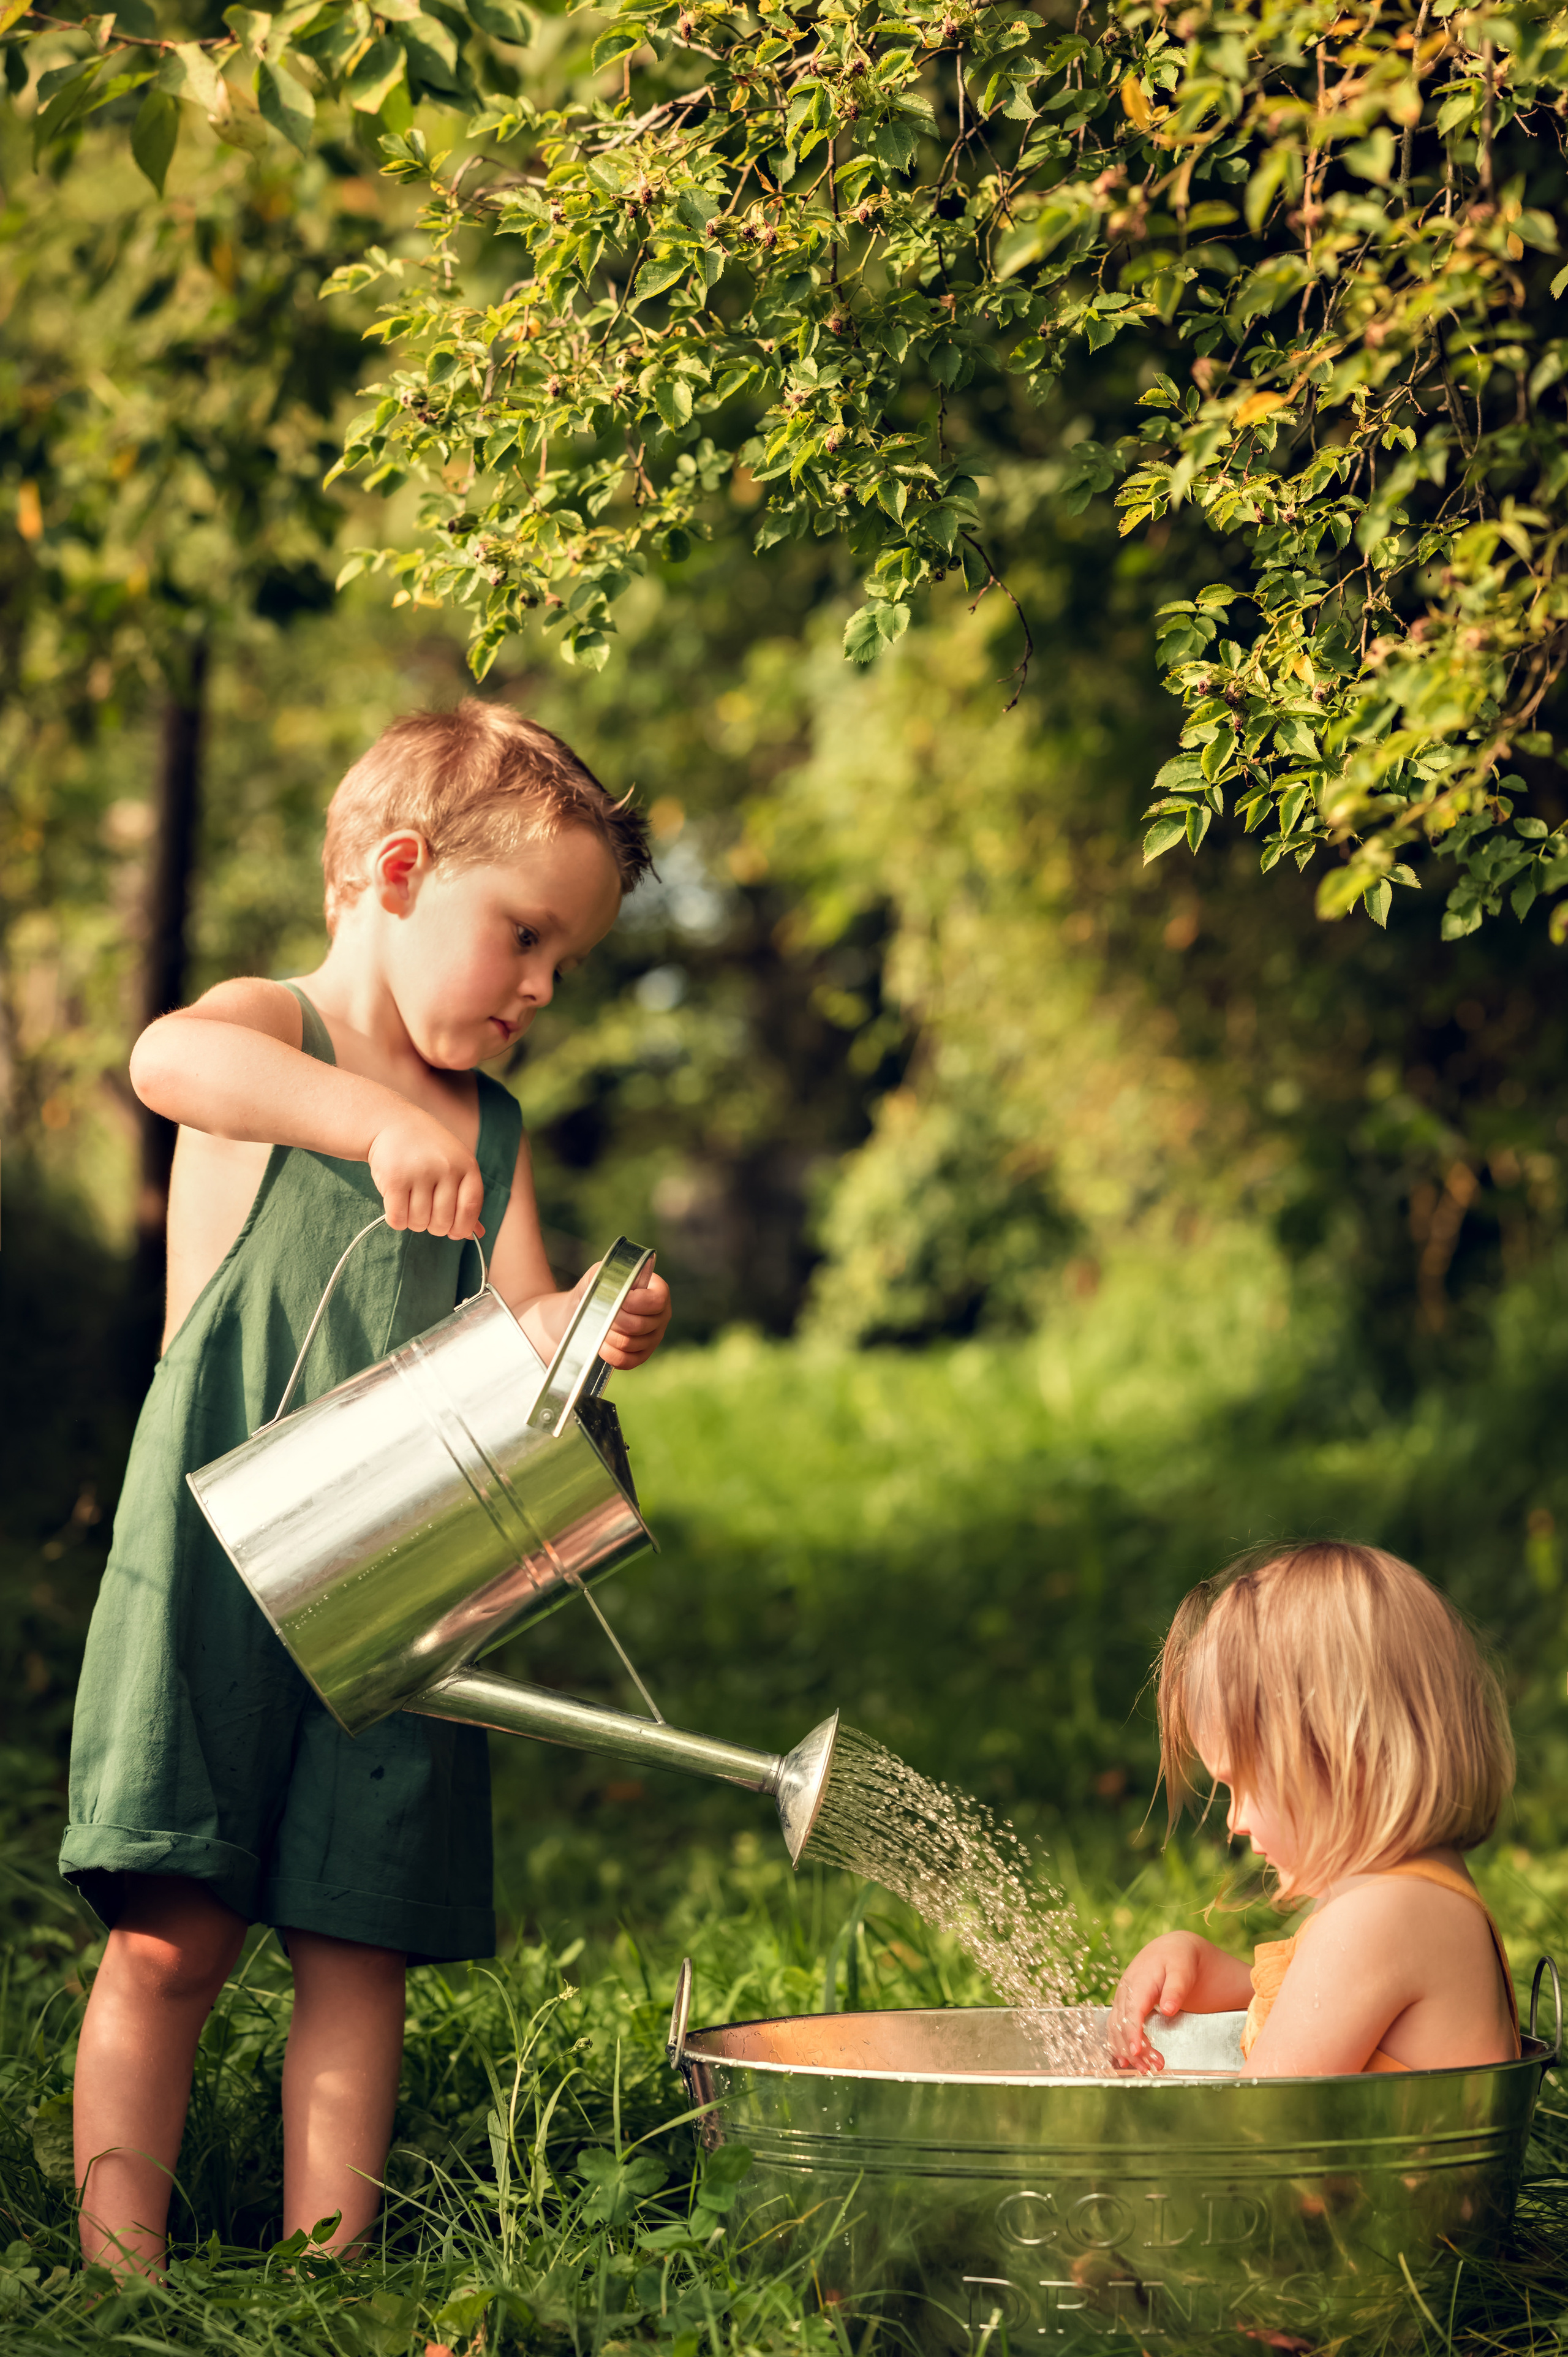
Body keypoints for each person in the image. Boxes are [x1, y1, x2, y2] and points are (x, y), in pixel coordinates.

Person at [62, 700, 673, 2275]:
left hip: (403, 1560)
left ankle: (321, 2264)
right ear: (398, 871)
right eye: (523, 936)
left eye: (565, 962)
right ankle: (119, 2259)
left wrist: (584, 1329)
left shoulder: (492, 1126)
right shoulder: (275, 1033)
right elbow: (165, 1057)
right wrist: (366, 1115)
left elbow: (516, 1315)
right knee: (170, 1929)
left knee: (358, 1933)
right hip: (211, 1557)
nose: (541, 986)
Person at [1107, 1541, 1520, 2076]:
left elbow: (1269, 2120)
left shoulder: (1382, 1915)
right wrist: (1202, 1965)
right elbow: (1317, 2010)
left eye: (1245, 1785)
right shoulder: (1409, 1896)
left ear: (1343, 1758)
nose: (1235, 1820)